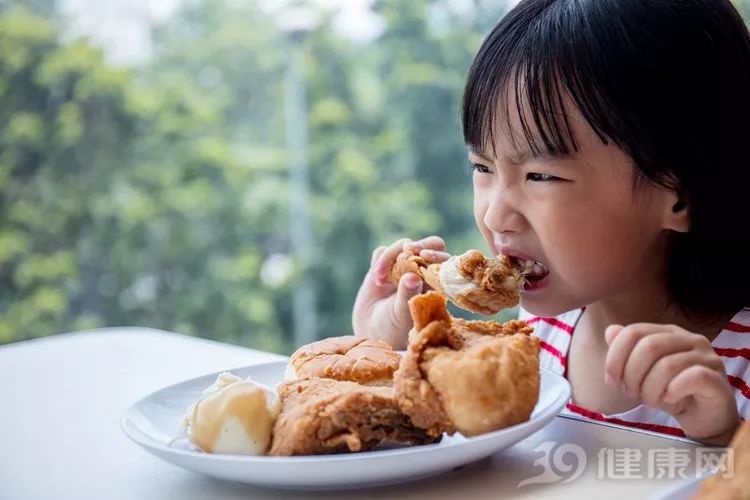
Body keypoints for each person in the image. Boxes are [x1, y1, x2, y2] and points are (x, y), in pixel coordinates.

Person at [352, 0, 750, 445]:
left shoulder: (739, 371)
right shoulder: (527, 341)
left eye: (541, 175)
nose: (493, 214)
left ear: (679, 197)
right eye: (482, 167)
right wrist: (390, 351)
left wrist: (724, 438)